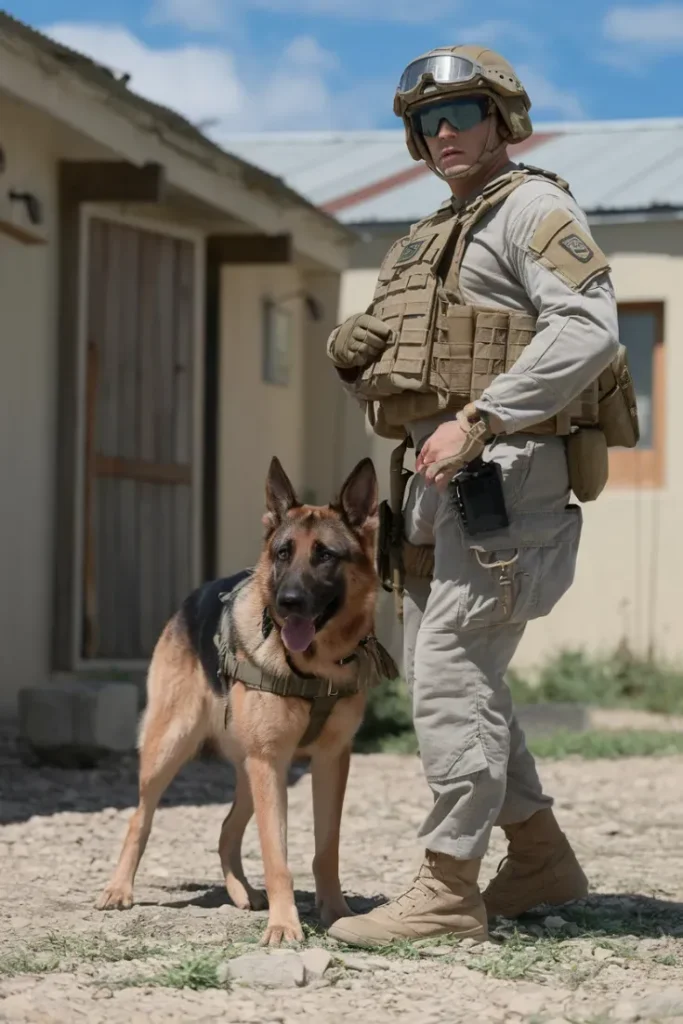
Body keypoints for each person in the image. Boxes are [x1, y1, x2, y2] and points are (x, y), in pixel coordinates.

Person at [324, 45, 629, 948]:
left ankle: (448, 886)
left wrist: (485, 418)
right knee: (456, 677)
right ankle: (537, 858)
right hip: (433, 481)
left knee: (452, 673)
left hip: (506, 473)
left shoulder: (534, 207)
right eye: (426, 121)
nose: (443, 131)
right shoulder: (434, 229)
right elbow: (422, 356)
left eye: (460, 113)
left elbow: (590, 327)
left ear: (501, 119)